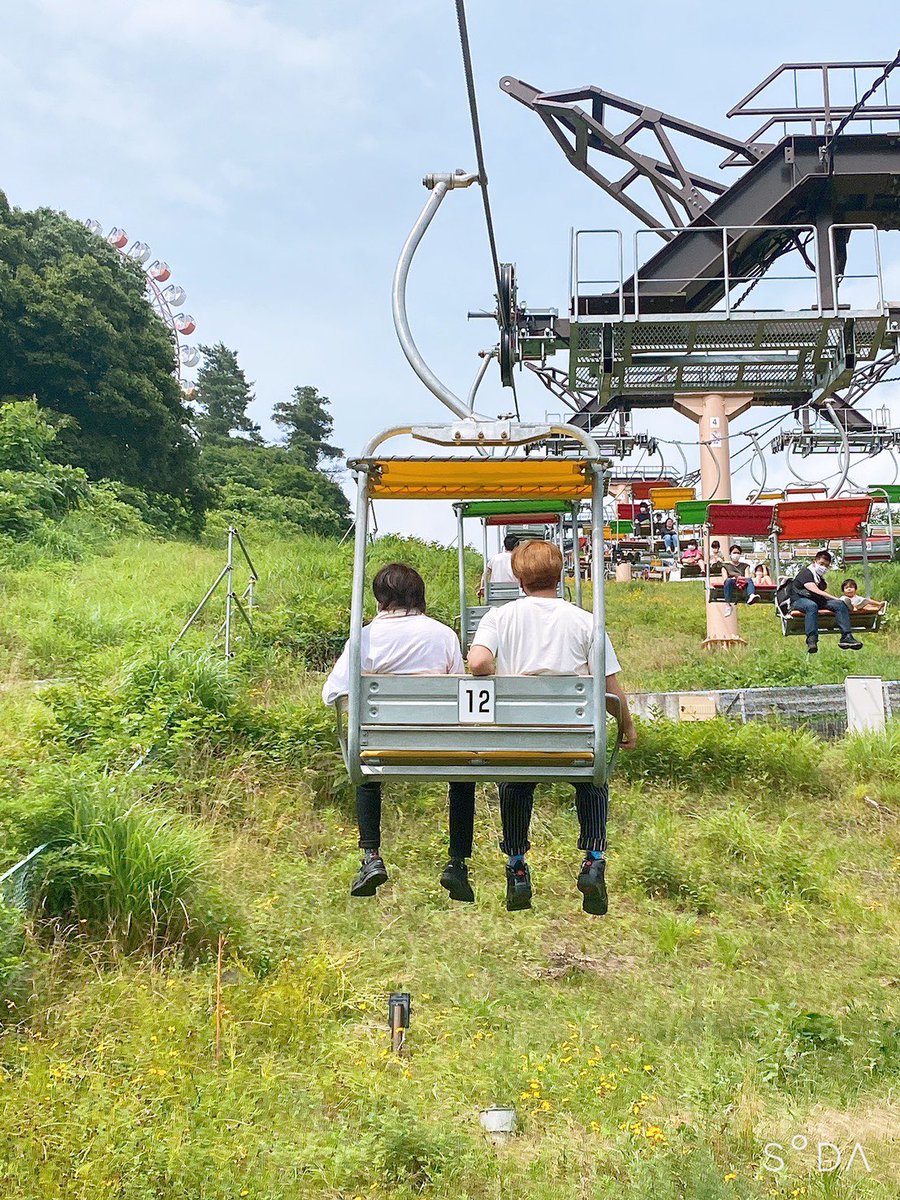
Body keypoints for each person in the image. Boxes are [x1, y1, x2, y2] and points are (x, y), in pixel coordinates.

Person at [467, 540, 636, 917]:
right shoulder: (586, 621)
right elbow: (610, 687)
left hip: (518, 739)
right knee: (593, 778)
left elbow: (478, 662)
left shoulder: (499, 617)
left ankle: (517, 865)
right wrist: (627, 726)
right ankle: (593, 858)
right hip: (573, 739)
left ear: (518, 577)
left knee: (514, 781)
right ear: (560, 576)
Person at [322, 562, 477, 901]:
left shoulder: (364, 638)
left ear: (380, 598)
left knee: (366, 767)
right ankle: (457, 862)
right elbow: (460, 692)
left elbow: (332, 694)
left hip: (382, 746)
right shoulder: (444, 635)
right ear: (420, 596)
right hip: (442, 750)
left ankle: (371, 856)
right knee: (463, 774)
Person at [791, 550, 863, 654]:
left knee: (839, 604)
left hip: (816, 601)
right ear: (814, 562)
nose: (823, 567)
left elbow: (821, 594)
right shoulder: (805, 573)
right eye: (821, 564)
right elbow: (814, 590)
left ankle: (846, 636)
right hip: (799, 601)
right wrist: (835, 598)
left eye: (826, 565)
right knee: (811, 606)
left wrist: (840, 601)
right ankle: (812, 639)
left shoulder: (820, 579)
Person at [719, 544, 758, 615]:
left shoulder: (745, 566)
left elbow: (747, 576)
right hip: (732, 582)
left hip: (742, 583)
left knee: (749, 579)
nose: (736, 555)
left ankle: (751, 595)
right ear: (730, 554)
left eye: (738, 553)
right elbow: (725, 579)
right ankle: (728, 604)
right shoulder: (725, 566)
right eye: (734, 553)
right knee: (728, 581)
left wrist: (741, 578)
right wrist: (736, 578)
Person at [478, 533, 519, 599]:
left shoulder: (494, 558)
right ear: (517, 546)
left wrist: (482, 587)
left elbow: (485, 574)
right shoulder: (518, 559)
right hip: (515, 593)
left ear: (505, 546)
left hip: (494, 593)